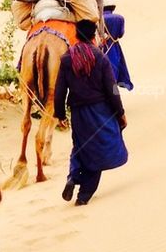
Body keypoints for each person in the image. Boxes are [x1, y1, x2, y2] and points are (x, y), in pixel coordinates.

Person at [54, 19, 128, 206]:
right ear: (94, 36)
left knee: (80, 146)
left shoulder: (66, 58)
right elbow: (112, 89)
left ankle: (73, 177)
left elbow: (60, 90)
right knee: (98, 152)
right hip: (101, 111)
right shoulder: (100, 57)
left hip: (78, 113)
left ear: (77, 35)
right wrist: (120, 112)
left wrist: (60, 114)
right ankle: (83, 196)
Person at [101, 0, 133, 91]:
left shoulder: (98, 18)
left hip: (101, 47)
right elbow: (121, 34)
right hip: (114, 47)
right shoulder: (119, 18)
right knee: (116, 70)